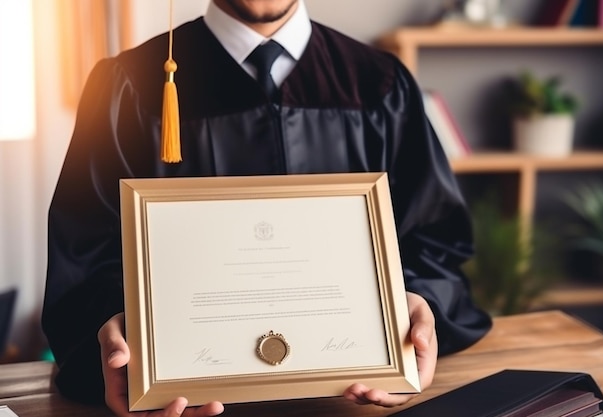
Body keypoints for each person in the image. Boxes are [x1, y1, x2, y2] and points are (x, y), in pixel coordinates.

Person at [42, 0, 492, 416]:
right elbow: (86, 259)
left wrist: (416, 306)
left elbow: (434, 245)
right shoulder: (129, 85)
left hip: (347, 405)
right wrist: (119, 335)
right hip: (191, 401)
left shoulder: (380, 84)